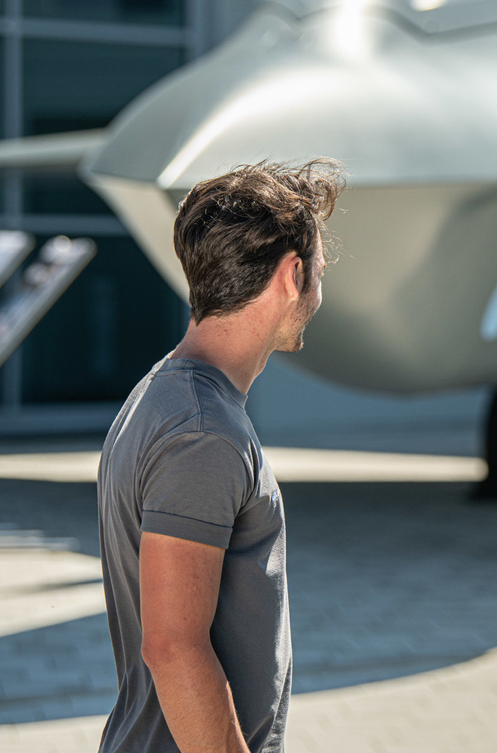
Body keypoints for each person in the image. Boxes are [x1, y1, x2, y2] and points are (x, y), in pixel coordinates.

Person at [96, 160, 344, 753]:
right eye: (319, 271)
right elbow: (174, 646)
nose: (318, 290)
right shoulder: (203, 431)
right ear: (292, 274)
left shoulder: (173, 394)